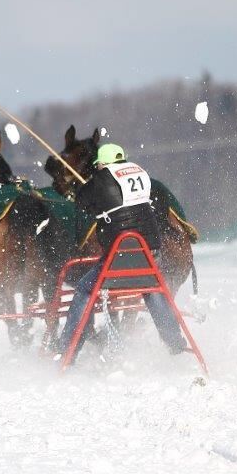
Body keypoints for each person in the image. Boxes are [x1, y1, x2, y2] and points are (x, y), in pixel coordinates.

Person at [57, 143, 188, 357]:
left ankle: (67, 349)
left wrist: (86, 186)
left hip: (118, 258)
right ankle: (174, 340)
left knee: (83, 290)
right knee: (152, 286)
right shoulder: (140, 173)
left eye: (98, 164)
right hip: (151, 252)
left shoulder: (101, 179)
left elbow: (81, 201)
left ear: (103, 163)